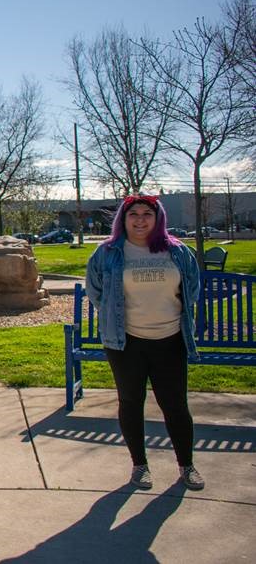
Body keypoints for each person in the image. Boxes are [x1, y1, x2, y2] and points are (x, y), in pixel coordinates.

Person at [85, 194, 204, 491]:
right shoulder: (108, 252)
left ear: (158, 218)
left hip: (170, 339)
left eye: (147, 214)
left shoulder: (177, 252)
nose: (140, 220)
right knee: (130, 402)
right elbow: (96, 291)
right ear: (123, 220)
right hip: (126, 343)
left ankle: (186, 465)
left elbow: (191, 288)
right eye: (133, 214)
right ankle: (140, 466)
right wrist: (117, 316)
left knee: (175, 405)